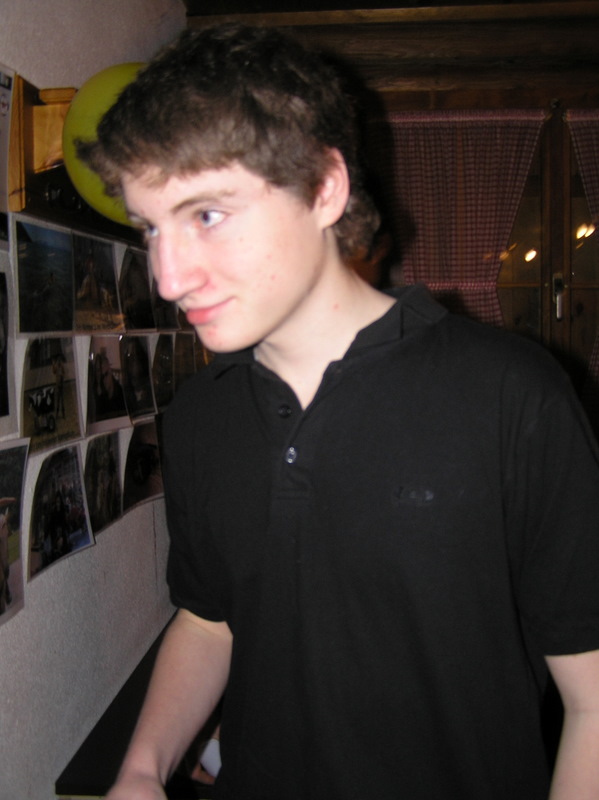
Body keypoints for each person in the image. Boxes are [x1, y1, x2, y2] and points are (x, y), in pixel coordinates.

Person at [78, 23, 599, 800]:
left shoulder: (510, 395)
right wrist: (142, 769)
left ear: (324, 188)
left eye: (206, 215)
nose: (168, 277)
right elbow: (210, 619)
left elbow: (592, 695)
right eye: (151, 228)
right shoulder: (198, 417)